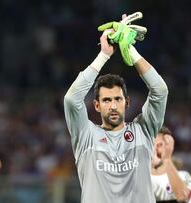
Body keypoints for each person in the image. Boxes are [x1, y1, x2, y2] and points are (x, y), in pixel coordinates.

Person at [63, 19, 168, 202]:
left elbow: (160, 91)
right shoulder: (86, 135)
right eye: (106, 100)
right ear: (96, 105)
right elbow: (72, 99)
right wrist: (104, 55)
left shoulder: (143, 131)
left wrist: (129, 49)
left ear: (126, 102)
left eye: (117, 99)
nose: (112, 105)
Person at [151, 126, 191, 203]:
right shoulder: (136, 177)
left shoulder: (183, 176)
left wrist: (167, 159)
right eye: (151, 144)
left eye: (159, 145)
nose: (155, 149)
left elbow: (183, 196)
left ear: (169, 147)